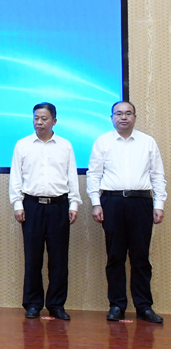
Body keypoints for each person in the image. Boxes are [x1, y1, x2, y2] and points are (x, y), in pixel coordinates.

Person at [87, 100, 167, 323]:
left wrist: (159, 205)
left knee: (140, 257)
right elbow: (94, 175)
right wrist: (96, 203)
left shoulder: (147, 142)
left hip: (141, 202)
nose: (123, 117)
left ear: (135, 117)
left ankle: (144, 306)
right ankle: (117, 305)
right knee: (115, 256)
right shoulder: (102, 142)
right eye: (119, 113)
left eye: (128, 113)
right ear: (112, 117)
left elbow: (157, 175)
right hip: (112, 202)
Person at [9, 102, 81, 320]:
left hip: (59, 206)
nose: (39, 122)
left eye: (44, 118)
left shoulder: (65, 146)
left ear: (54, 121)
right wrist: (17, 204)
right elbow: (16, 177)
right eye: (36, 118)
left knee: (59, 258)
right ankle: (33, 304)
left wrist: (74, 204)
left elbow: (72, 176)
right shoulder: (22, 145)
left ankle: (56, 304)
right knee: (33, 257)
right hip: (32, 206)